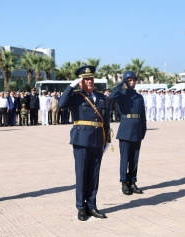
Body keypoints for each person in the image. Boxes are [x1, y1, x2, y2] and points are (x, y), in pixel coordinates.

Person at [58, 65, 110, 221]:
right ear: (80, 82)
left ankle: (92, 205)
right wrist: (71, 85)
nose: (90, 82)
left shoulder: (101, 98)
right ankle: (81, 207)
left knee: (94, 174)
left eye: (91, 79)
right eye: (86, 80)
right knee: (81, 174)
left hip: (97, 139)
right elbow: (61, 104)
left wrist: (107, 139)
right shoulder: (75, 96)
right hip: (81, 139)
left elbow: (105, 119)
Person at [109, 71, 146, 196]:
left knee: (134, 159)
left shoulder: (139, 97)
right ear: (125, 81)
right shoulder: (122, 95)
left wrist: (143, 130)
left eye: (133, 80)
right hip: (125, 129)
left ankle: (132, 182)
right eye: (129, 80)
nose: (132, 82)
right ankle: (124, 182)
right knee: (125, 158)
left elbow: (143, 115)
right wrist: (121, 84)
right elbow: (112, 96)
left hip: (137, 129)